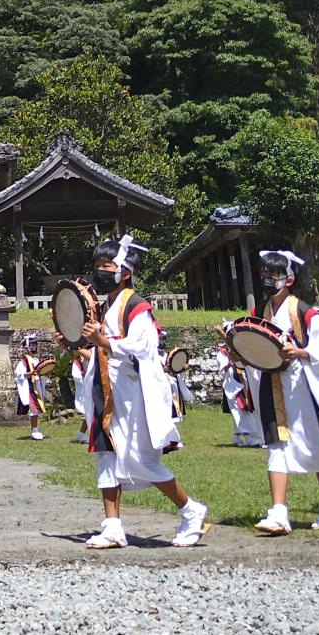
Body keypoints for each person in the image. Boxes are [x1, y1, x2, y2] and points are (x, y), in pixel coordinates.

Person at [74, 235, 208, 550]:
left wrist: (104, 342)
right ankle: (113, 527)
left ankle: (190, 510)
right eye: (97, 266)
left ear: (125, 271)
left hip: (132, 396)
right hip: (106, 392)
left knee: (138, 461)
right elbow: (99, 351)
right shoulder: (105, 307)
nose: (100, 272)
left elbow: (144, 350)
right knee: (106, 458)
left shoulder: (137, 306)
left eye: (106, 266)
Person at [246, 250, 319, 535]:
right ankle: (278, 513)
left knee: (314, 446)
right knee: (277, 446)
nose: (266, 280)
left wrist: (301, 351)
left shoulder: (305, 312)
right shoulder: (261, 312)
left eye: (272, 275)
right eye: (263, 275)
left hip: (303, 386)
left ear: (288, 278)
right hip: (274, 384)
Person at [216, 325, 261, 448]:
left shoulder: (238, 348)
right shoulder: (222, 352)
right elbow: (222, 370)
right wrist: (230, 363)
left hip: (242, 382)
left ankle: (236, 437)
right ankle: (250, 437)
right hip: (233, 385)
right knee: (242, 410)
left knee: (242, 410)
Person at [13, 334, 47, 440]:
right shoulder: (24, 361)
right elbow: (19, 373)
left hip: (36, 386)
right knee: (34, 409)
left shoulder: (36, 359)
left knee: (36, 409)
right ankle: (35, 430)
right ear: (26, 348)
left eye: (35, 345)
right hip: (29, 387)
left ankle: (35, 430)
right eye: (31, 345)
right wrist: (30, 373)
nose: (34, 347)